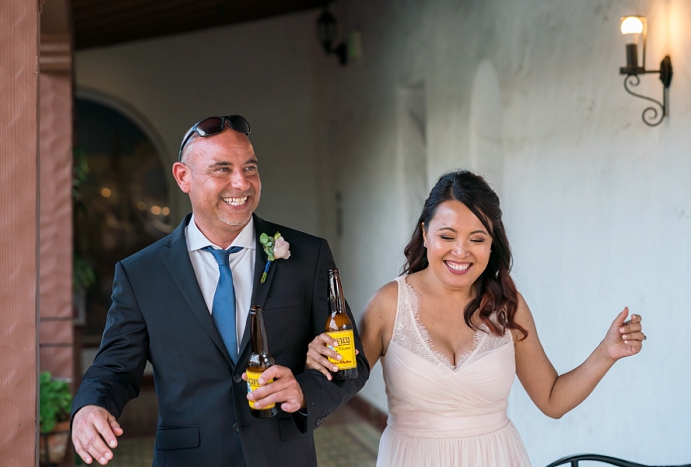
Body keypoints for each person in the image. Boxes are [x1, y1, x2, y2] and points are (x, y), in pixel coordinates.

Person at [70, 115, 369, 466]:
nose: (241, 183)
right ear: (184, 177)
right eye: (222, 169)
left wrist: (304, 391)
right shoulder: (141, 274)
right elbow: (116, 367)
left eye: (250, 168)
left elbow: (352, 363)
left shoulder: (308, 256)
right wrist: (90, 406)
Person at [305, 170, 645, 466]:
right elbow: (338, 386)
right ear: (425, 234)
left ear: (492, 242)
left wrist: (605, 353)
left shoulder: (508, 306)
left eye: (477, 239)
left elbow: (552, 400)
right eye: (447, 236)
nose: (460, 251)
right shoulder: (389, 304)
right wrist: (316, 362)